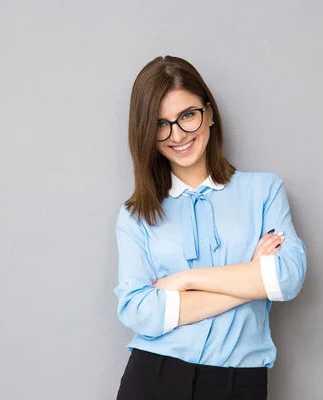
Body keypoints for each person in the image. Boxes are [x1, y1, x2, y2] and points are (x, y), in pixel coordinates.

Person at [113, 55, 307, 400]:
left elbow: (288, 277)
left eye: (187, 115)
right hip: (154, 376)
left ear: (209, 112)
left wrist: (188, 280)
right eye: (161, 123)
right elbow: (140, 311)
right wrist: (251, 277)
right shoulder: (135, 216)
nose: (177, 135)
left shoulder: (263, 191)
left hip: (240, 383)